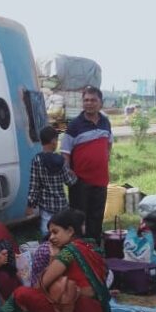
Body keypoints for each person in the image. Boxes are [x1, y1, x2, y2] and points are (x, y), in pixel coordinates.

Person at [11, 209, 114, 312]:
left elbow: (39, 287)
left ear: (70, 231)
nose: (51, 237)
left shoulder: (68, 252)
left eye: (55, 232)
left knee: (21, 293)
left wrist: (53, 258)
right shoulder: (91, 247)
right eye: (50, 233)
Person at [61, 86, 113, 242]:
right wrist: (69, 174)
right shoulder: (75, 125)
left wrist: (103, 159)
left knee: (97, 216)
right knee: (79, 217)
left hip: (101, 179)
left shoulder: (105, 122)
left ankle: (94, 248)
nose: (89, 103)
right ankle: (80, 249)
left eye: (93, 100)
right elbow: (65, 152)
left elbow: (109, 144)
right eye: (86, 100)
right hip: (80, 182)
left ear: (100, 103)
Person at [26, 126, 78, 237]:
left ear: (41, 141)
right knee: (63, 234)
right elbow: (69, 182)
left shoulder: (37, 160)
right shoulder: (60, 160)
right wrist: (74, 175)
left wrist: (30, 205)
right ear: (53, 141)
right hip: (62, 206)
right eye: (57, 140)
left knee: (47, 233)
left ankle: (48, 252)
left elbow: (34, 185)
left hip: (46, 207)